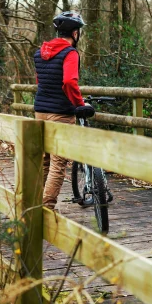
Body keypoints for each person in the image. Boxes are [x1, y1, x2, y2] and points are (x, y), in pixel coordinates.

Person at [34, 11, 94, 210]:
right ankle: (47, 209)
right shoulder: (70, 53)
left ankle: (35, 204)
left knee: (44, 160)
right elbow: (69, 81)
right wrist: (79, 104)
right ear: (75, 33)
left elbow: (40, 81)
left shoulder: (39, 52)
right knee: (58, 163)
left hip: (40, 110)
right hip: (60, 113)